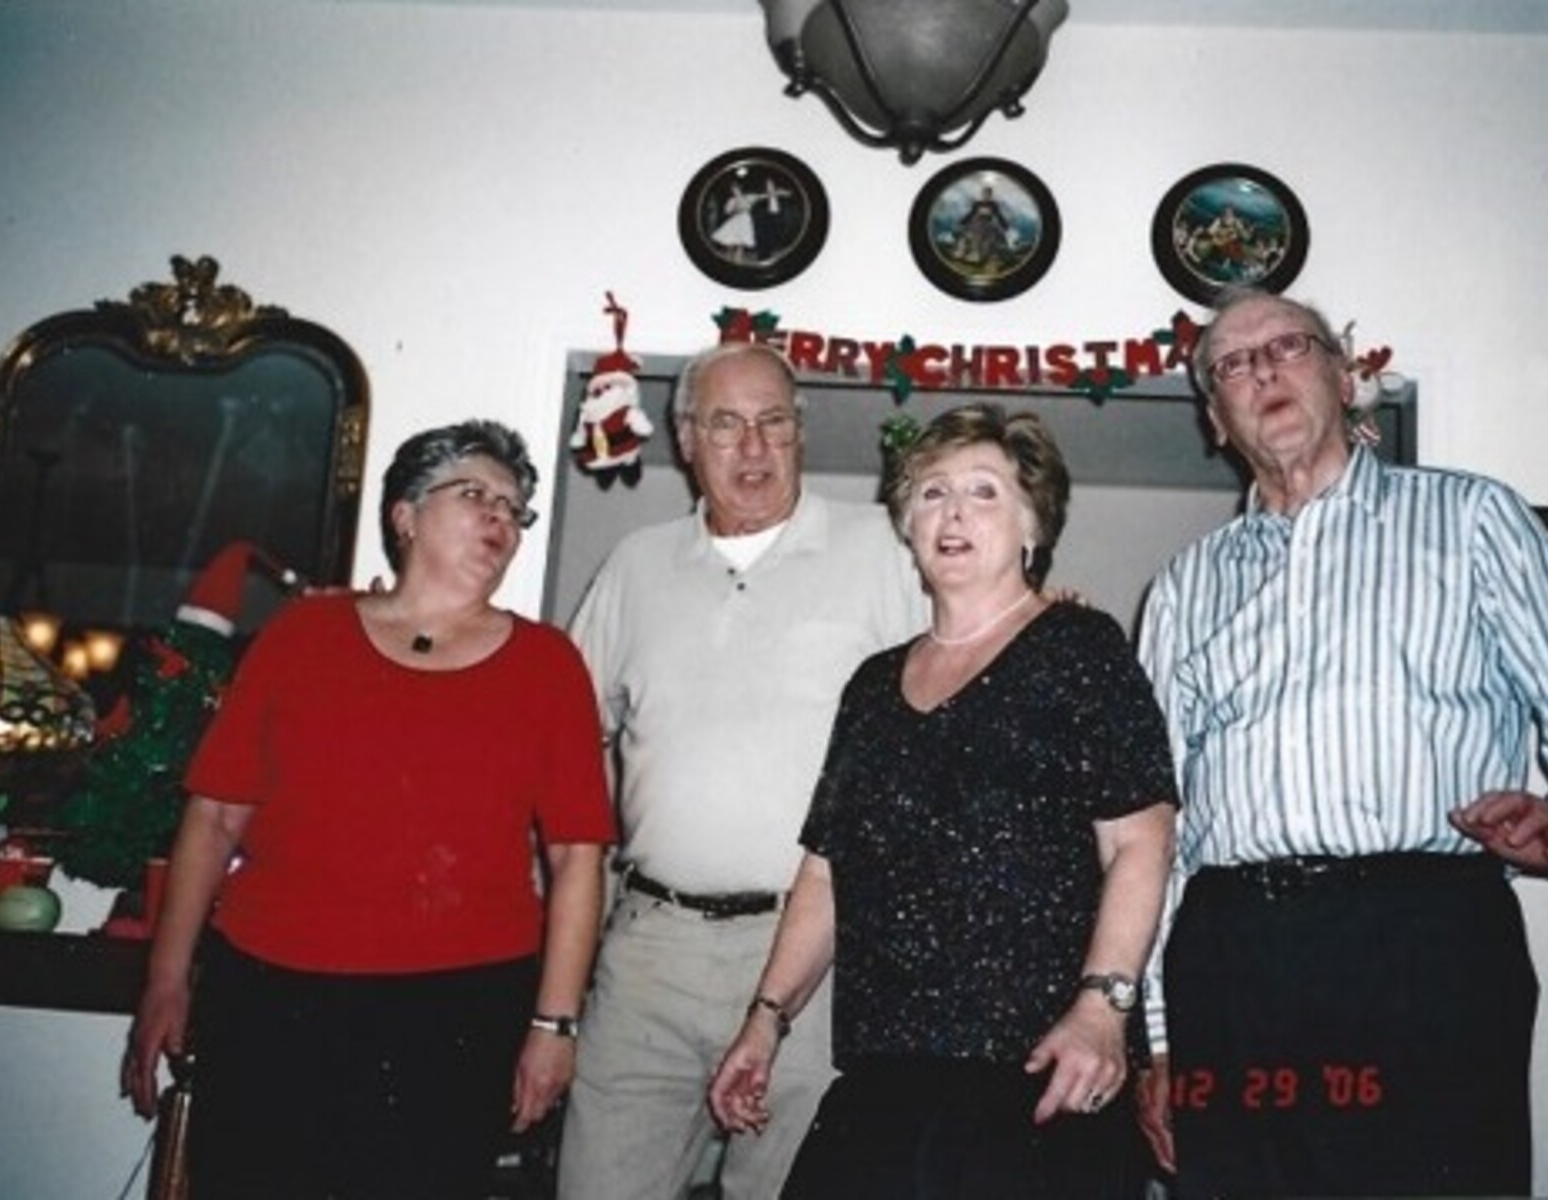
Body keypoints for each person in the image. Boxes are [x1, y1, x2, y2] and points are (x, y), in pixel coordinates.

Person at [1134, 288, 1548, 1197]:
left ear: (1348, 379)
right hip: (1228, 957)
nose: (1264, 369)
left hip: (1425, 945)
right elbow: (1159, 829)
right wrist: (1157, 1034)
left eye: (1290, 346)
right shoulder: (1185, 585)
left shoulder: (1472, 520)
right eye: (1233, 363)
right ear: (1213, 419)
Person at [122, 419, 616, 1199]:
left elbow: (576, 857)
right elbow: (215, 817)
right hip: (273, 996)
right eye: (475, 494)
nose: (501, 518)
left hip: (456, 1010)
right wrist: (166, 977)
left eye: (514, 509)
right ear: (406, 515)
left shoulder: (548, 665)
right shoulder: (301, 636)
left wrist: (554, 1027)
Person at [709, 403, 1178, 1199]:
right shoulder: (870, 688)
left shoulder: (1080, 649)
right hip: (883, 1082)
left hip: (1038, 1073)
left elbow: (1141, 842)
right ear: (907, 525)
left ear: (1034, 524)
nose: (953, 512)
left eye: (984, 492)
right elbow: (826, 872)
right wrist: (767, 1017)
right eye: (931, 493)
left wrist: (1104, 1007)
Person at [557, 342, 928, 1200]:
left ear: (801, 434)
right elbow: (565, 740)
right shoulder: (635, 567)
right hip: (651, 951)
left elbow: (971, 677)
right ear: (687, 440)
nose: (753, 448)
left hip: (820, 954)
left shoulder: (887, 548)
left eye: (773, 423)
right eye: (727, 424)